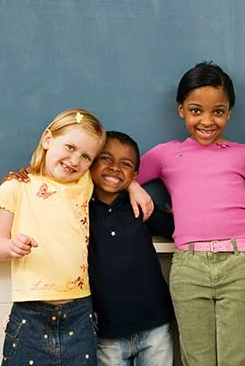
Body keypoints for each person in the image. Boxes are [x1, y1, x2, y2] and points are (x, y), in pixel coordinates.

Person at [129, 62, 245, 365]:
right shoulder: (166, 154)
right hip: (188, 265)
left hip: (238, 263)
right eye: (195, 110)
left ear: (229, 112)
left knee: (237, 358)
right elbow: (119, 176)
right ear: (180, 110)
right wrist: (134, 188)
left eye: (218, 111)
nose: (207, 120)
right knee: (196, 358)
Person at [0, 108, 107, 365]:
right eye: (70, 147)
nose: (75, 160)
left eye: (86, 156)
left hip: (79, 310)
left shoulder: (84, 183)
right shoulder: (14, 188)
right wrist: (11, 246)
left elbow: (114, 174)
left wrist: (133, 186)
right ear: (47, 139)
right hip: (31, 313)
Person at [88, 131, 175, 366]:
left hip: (155, 325)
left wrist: (178, 210)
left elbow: (174, 228)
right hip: (107, 333)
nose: (115, 167)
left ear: (135, 175)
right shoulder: (79, 209)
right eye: (106, 159)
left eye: (125, 164)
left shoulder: (139, 205)